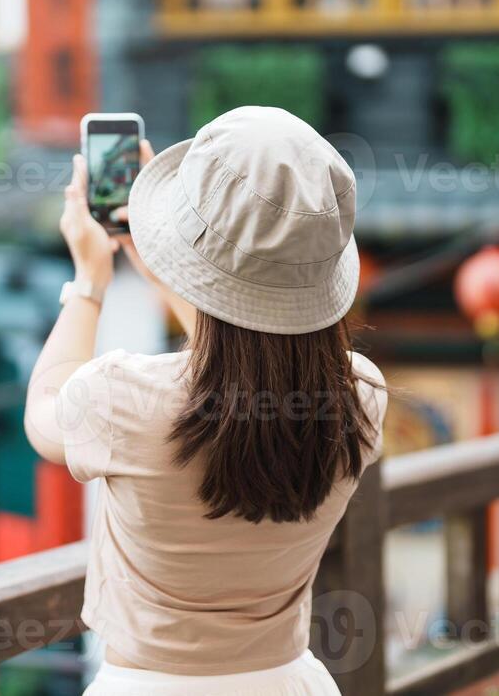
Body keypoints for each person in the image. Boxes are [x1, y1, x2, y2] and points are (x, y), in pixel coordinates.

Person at [25, 106, 388, 696]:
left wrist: (90, 279)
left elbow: (44, 409)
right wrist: (168, 262)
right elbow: (247, 355)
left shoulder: (121, 398)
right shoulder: (360, 397)